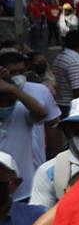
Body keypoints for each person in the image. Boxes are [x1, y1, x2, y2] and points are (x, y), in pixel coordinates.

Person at [0, 53, 55, 201]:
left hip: (24, 192)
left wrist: (13, 89)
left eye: (8, 100)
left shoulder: (21, 110)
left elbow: (42, 113)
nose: (5, 105)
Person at [48, 28, 79, 111]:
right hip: (72, 107)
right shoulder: (74, 61)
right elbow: (78, 90)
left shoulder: (62, 56)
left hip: (65, 104)